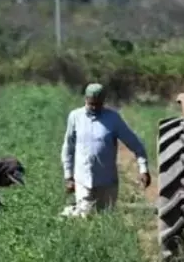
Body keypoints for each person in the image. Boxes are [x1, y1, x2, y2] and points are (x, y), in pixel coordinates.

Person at [61, 82, 151, 215]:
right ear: (85, 99)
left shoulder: (113, 118)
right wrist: (68, 176)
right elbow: (68, 147)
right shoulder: (75, 117)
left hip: (107, 182)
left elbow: (135, 144)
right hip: (83, 180)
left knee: (105, 217)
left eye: (97, 104)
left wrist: (143, 168)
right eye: (91, 103)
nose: (93, 107)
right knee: (85, 216)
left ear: (103, 101)